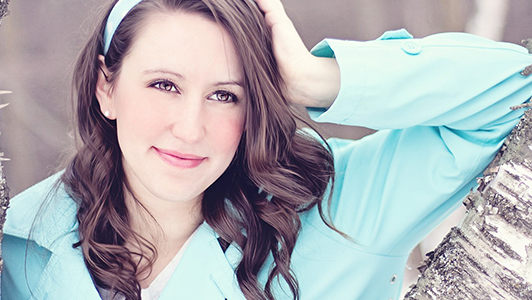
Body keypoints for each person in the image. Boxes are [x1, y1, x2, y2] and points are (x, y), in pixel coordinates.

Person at [2, 0, 532, 299]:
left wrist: (314, 79)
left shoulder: (335, 210)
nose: (190, 128)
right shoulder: (24, 239)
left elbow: (515, 89)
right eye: (164, 85)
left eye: (225, 95)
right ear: (106, 87)